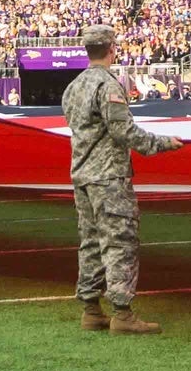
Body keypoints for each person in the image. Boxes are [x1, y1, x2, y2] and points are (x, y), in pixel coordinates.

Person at [62, 23, 183, 333]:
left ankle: (91, 309)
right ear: (112, 49)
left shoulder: (73, 86)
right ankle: (122, 312)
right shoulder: (109, 85)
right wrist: (163, 144)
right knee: (120, 240)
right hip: (109, 176)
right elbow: (122, 131)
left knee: (90, 242)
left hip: (82, 175)